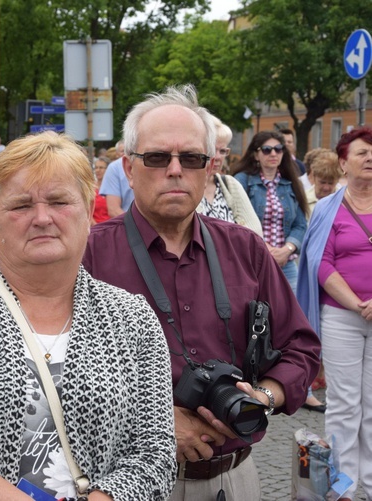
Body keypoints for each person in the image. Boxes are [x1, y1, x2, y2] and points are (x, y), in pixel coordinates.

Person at [0, 131, 177, 500]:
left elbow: (155, 455)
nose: (42, 218)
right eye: (20, 206)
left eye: (60, 201)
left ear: (88, 211)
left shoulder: (132, 318)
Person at [82, 85, 320, 500]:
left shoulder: (245, 248)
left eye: (190, 158)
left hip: (236, 479)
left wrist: (261, 396)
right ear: (128, 167)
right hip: (129, 483)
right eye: (157, 157)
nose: (175, 170)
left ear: (209, 168)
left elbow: (300, 348)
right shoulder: (88, 255)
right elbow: (54, 376)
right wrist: (154, 423)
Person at [297, 127, 372, 501]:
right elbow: (319, 262)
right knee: (344, 404)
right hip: (342, 316)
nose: (370, 158)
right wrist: (357, 303)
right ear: (344, 163)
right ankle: (343, 487)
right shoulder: (327, 207)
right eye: (361, 153)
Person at [233, 131, 309, 293]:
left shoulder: (292, 183)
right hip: (252, 262)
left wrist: (286, 250)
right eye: (267, 149)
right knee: (255, 313)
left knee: (293, 313)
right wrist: (265, 248)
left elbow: (301, 225)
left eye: (278, 149)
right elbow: (237, 220)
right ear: (256, 155)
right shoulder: (242, 181)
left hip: (285, 263)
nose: (273, 153)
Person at [196, 117, 263, 236]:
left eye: (222, 151)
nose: (217, 157)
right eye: (212, 150)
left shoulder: (230, 184)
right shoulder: (186, 186)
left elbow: (255, 232)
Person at [99, 141, 134, 217]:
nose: (125, 153)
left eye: (128, 150)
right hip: (128, 223)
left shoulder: (146, 162)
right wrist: (137, 225)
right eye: (122, 151)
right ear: (117, 154)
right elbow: (113, 210)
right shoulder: (114, 168)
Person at [305, 151, 342, 216]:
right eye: (322, 182)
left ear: (338, 180)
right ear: (314, 177)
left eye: (331, 183)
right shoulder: (303, 200)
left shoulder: (345, 201)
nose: (326, 188)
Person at [93, 156, 111, 224]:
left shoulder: (113, 188)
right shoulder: (91, 187)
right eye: (96, 168)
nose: (98, 170)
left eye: (101, 168)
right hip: (94, 227)